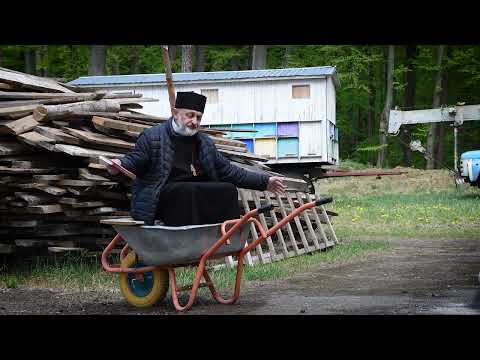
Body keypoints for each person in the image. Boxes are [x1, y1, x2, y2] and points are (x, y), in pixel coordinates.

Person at [107, 91, 286, 226]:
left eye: (198, 117)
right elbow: (136, 159)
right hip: (162, 196)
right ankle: (184, 235)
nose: (194, 121)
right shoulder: (153, 137)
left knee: (228, 189)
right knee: (186, 191)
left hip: (190, 194)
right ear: (176, 113)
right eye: (190, 115)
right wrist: (120, 165)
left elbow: (229, 171)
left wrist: (265, 181)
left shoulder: (204, 142)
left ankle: (222, 234)